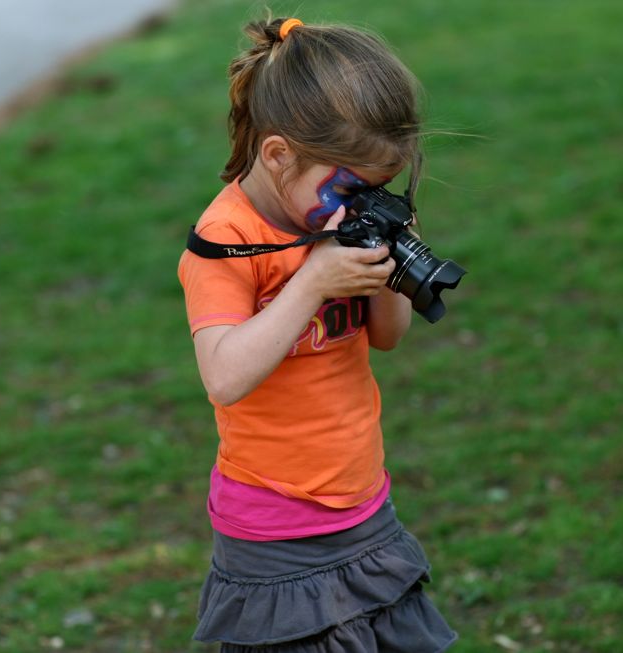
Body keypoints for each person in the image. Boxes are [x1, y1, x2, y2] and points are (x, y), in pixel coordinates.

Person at [177, 15, 458, 652]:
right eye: (349, 188)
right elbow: (224, 377)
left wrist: (385, 260)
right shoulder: (225, 242)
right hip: (276, 525)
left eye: (379, 189)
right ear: (278, 155)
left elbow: (387, 336)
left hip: (363, 501)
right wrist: (311, 283)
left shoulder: (332, 227)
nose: (360, 203)